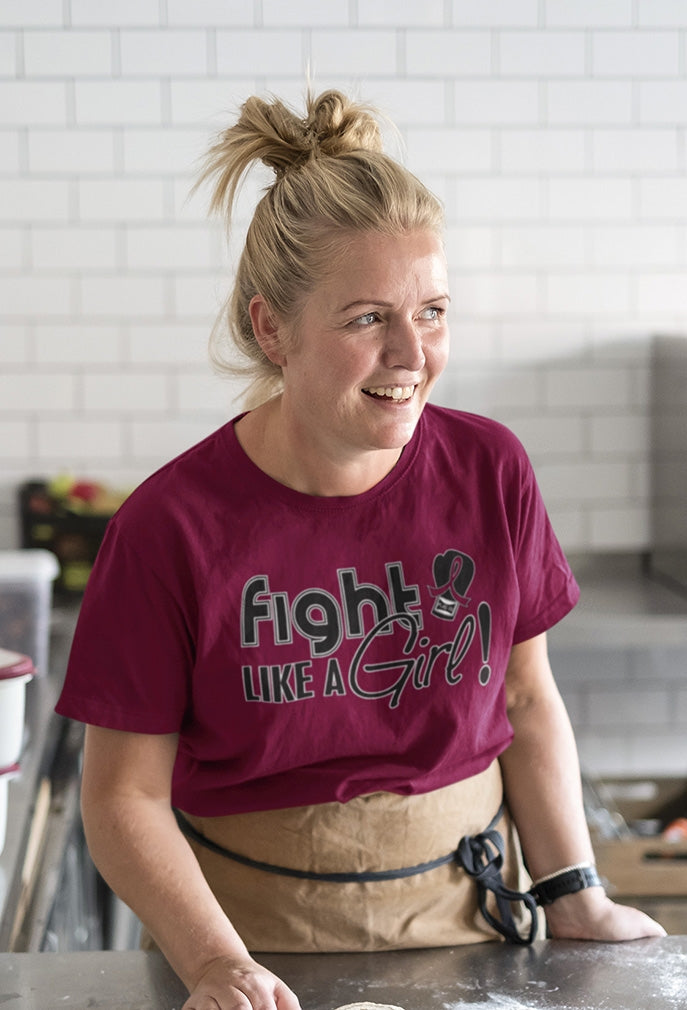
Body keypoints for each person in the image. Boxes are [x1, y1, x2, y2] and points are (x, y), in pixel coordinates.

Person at [56, 89, 664, 1010]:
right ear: (271, 328)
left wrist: (571, 889)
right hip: (252, 951)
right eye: (366, 318)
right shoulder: (168, 529)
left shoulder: (489, 469)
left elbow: (525, 696)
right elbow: (120, 801)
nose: (409, 353)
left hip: (473, 935)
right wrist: (218, 967)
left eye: (431, 311)